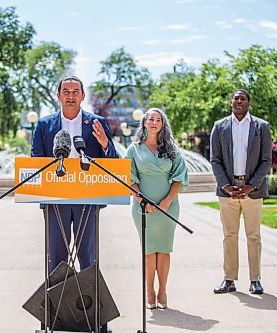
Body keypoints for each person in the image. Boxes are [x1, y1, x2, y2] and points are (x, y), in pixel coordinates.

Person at [31, 75, 118, 273]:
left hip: (87, 199)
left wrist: (105, 143)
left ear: (83, 96)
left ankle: (88, 303)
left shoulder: (97, 123)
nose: (71, 96)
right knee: (56, 258)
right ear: (58, 95)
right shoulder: (44, 125)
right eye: (66, 92)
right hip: (55, 198)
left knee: (88, 257)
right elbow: (35, 161)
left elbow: (113, 162)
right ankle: (57, 302)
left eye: (75, 92)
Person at [125, 108, 188, 309]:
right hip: (142, 207)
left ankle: (163, 291)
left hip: (168, 207)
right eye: (150, 119)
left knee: (164, 249)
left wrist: (167, 201)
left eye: (158, 120)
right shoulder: (133, 150)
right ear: (144, 123)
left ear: (163, 124)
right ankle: (149, 292)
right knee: (148, 250)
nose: (154, 122)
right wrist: (142, 200)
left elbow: (179, 177)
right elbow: (129, 178)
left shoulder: (172, 149)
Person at [210, 89, 272, 295]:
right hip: (227, 191)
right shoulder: (219, 127)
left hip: (252, 191)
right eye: (236, 98)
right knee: (229, 235)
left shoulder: (261, 127)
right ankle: (229, 279)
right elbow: (215, 159)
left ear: (248, 103)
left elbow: (266, 160)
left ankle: (255, 280)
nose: (238, 101)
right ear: (231, 102)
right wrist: (226, 185)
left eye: (242, 98)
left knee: (253, 236)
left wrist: (251, 185)